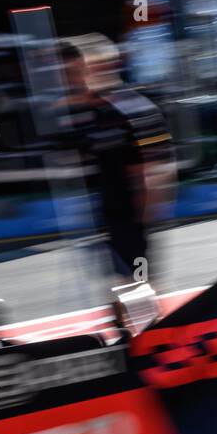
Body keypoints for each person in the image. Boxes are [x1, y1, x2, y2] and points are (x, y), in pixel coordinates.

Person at [59, 33, 175, 280]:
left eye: (78, 71)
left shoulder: (136, 110)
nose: (72, 79)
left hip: (132, 213)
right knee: (115, 282)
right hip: (104, 211)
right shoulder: (85, 113)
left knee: (136, 282)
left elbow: (155, 169)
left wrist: (144, 219)